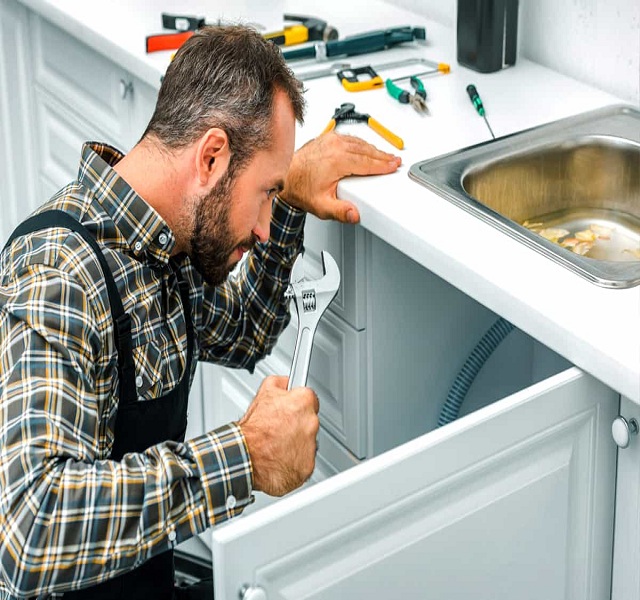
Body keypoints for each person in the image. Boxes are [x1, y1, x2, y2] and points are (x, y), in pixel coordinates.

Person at [0, 25, 401, 600]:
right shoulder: (59, 274)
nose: (263, 227)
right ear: (211, 157)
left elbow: (244, 332)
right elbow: (26, 531)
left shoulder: (170, 246)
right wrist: (244, 454)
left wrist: (285, 203)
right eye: (265, 192)